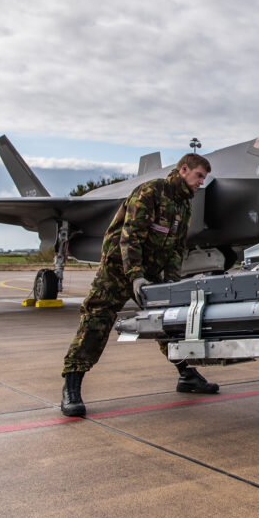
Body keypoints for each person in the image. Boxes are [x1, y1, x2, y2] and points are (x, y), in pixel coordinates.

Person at [61, 154, 215, 417]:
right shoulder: (150, 192)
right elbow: (129, 237)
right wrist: (135, 276)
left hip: (152, 274)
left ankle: (186, 375)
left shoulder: (183, 206)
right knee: (96, 321)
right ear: (184, 169)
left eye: (204, 178)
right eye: (199, 175)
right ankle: (71, 387)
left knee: (171, 322)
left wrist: (171, 284)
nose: (202, 182)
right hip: (118, 270)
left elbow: (176, 249)